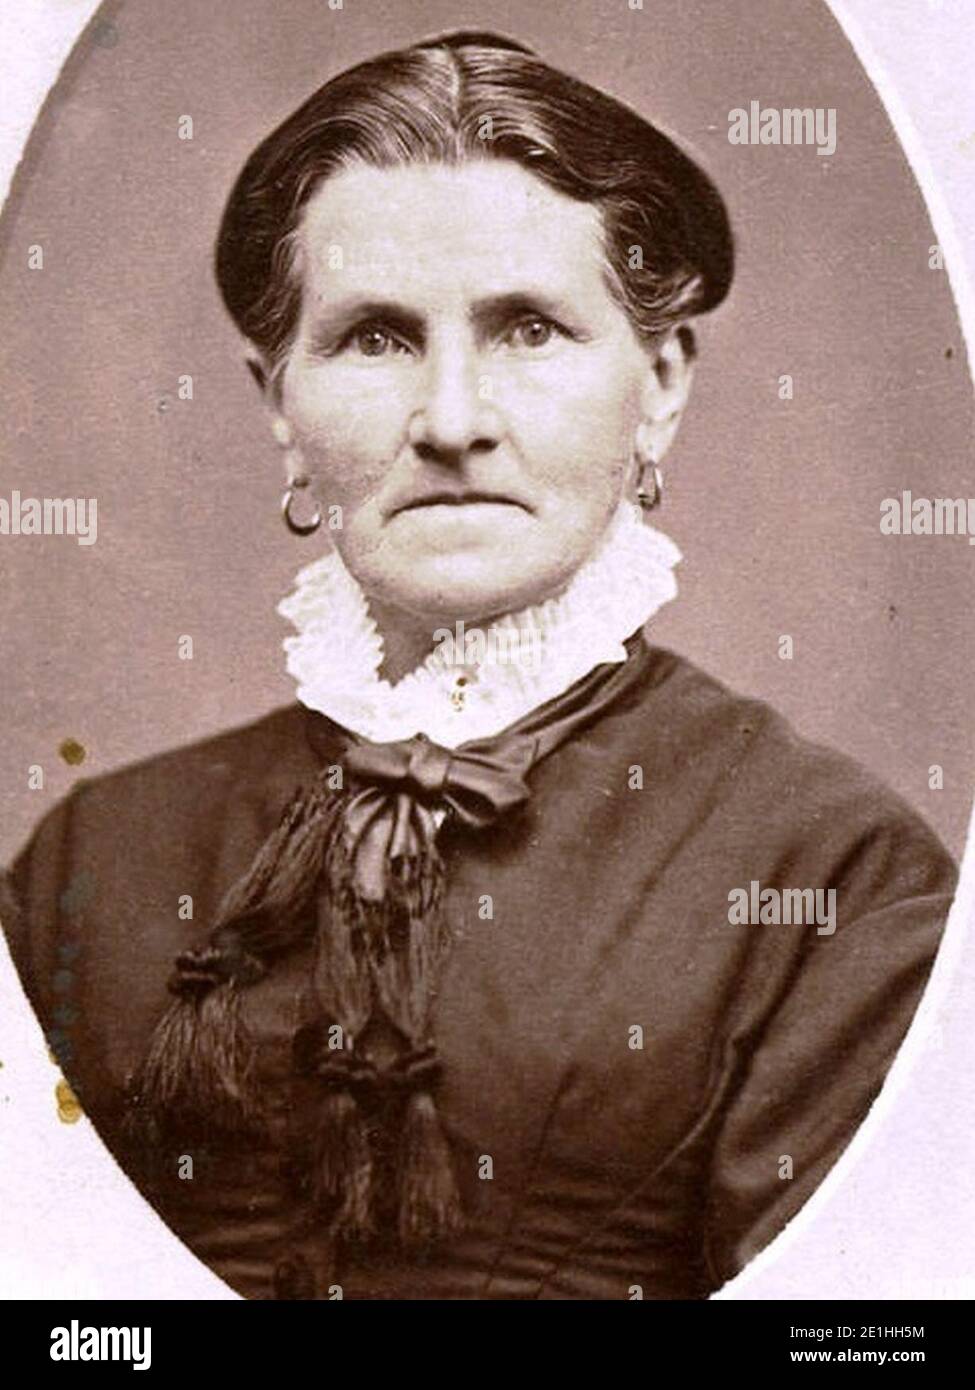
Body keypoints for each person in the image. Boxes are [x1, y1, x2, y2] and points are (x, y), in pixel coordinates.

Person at [0, 30, 956, 1301]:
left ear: (661, 384)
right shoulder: (93, 860)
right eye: (375, 339)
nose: (452, 420)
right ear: (278, 402)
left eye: (529, 329)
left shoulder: (827, 870)